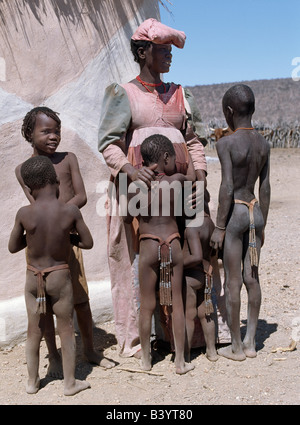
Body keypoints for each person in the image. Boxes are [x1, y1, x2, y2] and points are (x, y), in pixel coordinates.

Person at [98, 18, 209, 358]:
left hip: (182, 192)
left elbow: (194, 142)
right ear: (143, 52)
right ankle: (141, 339)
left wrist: (200, 179)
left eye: (171, 50)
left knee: (185, 259)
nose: (169, 56)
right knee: (139, 260)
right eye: (162, 50)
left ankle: (187, 339)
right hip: (140, 197)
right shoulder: (123, 93)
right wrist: (130, 170)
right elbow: (108, 144)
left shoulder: (180, 94)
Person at [16, 106, 114, 376]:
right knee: (43, 306)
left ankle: (91, 349)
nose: (53, 136)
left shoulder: (68, 159)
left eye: (56, 131)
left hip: (68, 242)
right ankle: (53, 355)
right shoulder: (23, 169)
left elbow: (80, 196)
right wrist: (59, 219)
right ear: (29, 133)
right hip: (41, 250)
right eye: (46, 131)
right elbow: (35, 206)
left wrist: (63, 216)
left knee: (81, 299)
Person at [8, 156, 92, 395]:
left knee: (34, 330)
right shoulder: (70, 211)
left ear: (30, 188)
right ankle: (69, 383)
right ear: (55, 180)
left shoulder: (24, 213)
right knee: (65, 327)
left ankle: (32, 382)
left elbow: (13, 247)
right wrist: (69, 237)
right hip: (59, 276)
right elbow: (88, 242)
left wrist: (32, 237)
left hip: (33, 278)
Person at [124, 134, 195, 373]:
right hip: (173, 242)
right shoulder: (177, 181)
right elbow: (193, 180)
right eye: (173, 157)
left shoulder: (135, 187)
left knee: (146, 305)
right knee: (177, 302)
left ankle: (145, 359)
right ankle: (180, 362)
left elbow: (126, 217)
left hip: (148, 245)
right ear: (165, 157)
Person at [210, 84, 271, 361]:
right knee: (252, 277)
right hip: (255, 212)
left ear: (229, 112)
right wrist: (263, 226)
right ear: (253, 109)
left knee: (233, 281)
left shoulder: (225, 144)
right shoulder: (264, 144)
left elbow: (227, 187)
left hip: (234, 214)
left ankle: (235, 347)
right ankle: (251, 343)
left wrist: (220, 227)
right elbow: (266, 188)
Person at [183, 212, 218, 362]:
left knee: (188, 316)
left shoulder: (191, 228)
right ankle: (212, 351)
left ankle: (185, 356)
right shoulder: (210, 223)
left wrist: (177, 263)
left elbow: (195, 257)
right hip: (207, 275)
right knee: (206, 314)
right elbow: (216, 250)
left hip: (191, 276)